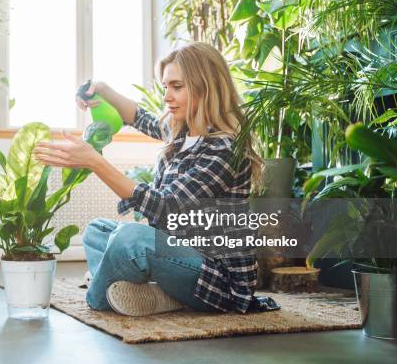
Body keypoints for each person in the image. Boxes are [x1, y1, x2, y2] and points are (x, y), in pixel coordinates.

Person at [33, 42, 264, 316]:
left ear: (206, 87)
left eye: (177, 87)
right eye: (165, 86)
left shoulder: (223, 149)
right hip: (178, 255)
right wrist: (101, 87)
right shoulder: (181, 131)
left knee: (129, 240)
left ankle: (101, 296)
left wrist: (94, 161)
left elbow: (166, 207)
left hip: (216, 278)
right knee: (98, 232)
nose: (167, 96)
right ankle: (163, 294)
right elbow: (138, 116)